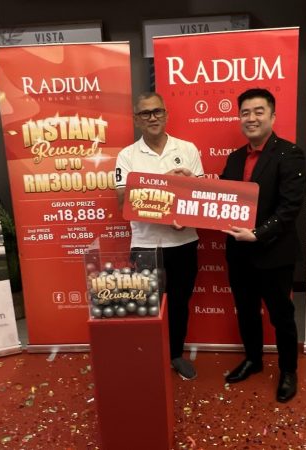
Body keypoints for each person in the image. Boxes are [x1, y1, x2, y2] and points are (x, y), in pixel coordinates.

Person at [220, 88, 306, 402]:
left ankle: (288, 370)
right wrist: (190, 183)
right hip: (239, 252)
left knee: (281, 316)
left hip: (273, 253)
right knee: (246, 312)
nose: (251, 118)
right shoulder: (234, 158)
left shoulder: (289, 153)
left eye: (259, 111)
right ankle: (253, 360)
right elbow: (220, 197)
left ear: (272, 116)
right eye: (245, 112)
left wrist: (258, 233)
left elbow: (290, 207)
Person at [115, 92, 204, 380]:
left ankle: (175, 354)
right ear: (136, 119)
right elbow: (123, 201)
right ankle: (150, 357)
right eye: (145, 113)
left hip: (184, 242)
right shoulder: (127, 156)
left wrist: (186, 185)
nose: (152, 117)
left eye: (157, 111)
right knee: (147, 306)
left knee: (179, 304)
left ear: (166, 114)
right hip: (146, 245)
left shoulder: (187, 149)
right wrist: (169, 189)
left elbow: (201, 198)